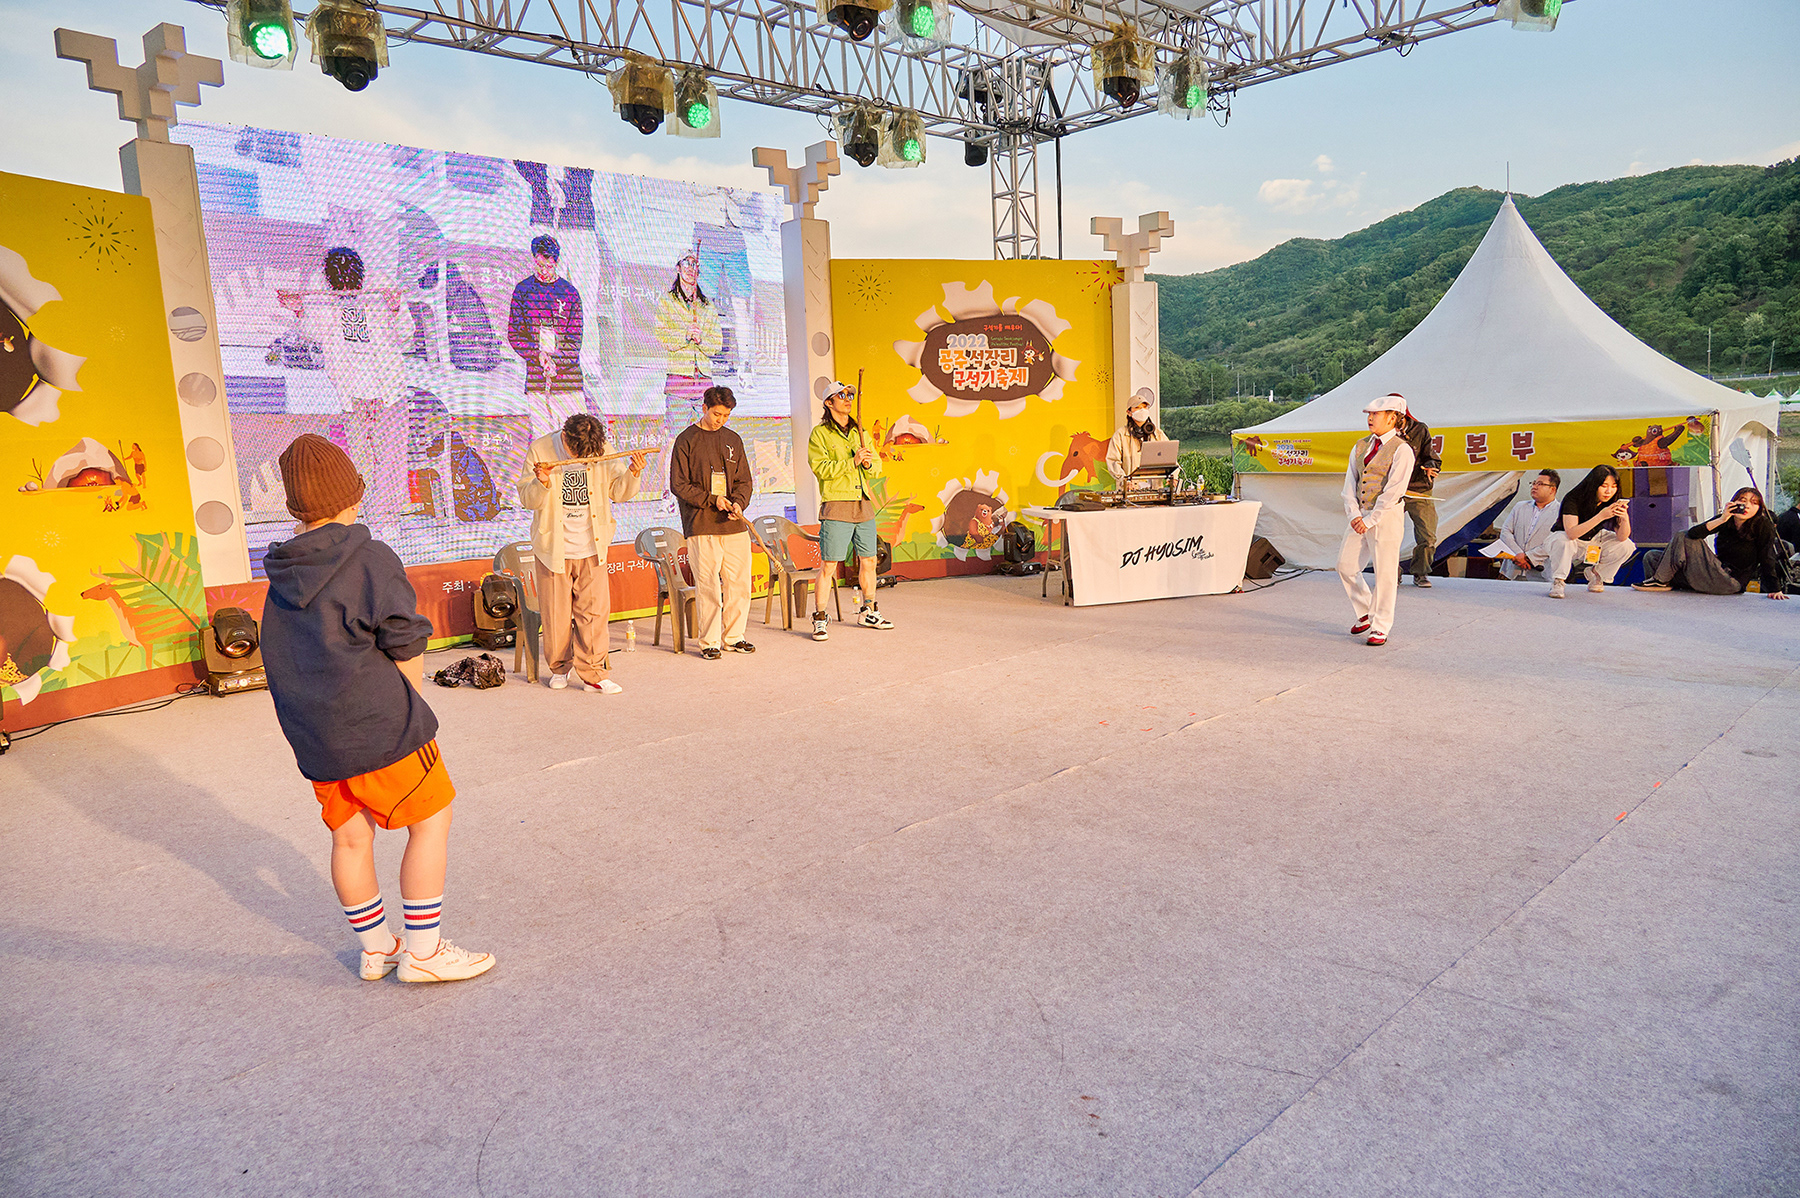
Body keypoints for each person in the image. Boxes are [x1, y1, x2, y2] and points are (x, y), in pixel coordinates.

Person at [260, 434, 494, 983]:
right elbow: (405, 642)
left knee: (349, 838)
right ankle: (424, 954)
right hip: (379, 724)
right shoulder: (368, 556)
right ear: (354, 494)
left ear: (295, 506)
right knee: (432, 820)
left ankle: (377, 950)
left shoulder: (280, 573)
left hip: (315, 736)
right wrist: (410, 708)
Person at [518, 414, 646, 691]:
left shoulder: (602, 449)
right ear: (565, 436)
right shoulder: (541, 449)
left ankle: (594, 674)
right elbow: (527, 500)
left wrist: (633, 473)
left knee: (594, 613)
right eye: (577, 453)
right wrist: (541, 482)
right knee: (556, 614)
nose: (582, 458)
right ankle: (559, 668)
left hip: (592, 546)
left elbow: (618, 492)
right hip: (553, 547)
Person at [668, 386, 756, 658]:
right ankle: (709, 642)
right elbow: (678, 485)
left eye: (726, 415)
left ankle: (735, 637)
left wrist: (738, 502)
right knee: (708, 585)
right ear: (704, 407)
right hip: (701, 524)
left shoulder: (733, 439)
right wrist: (711, 499)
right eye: (717, 414)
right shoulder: (686, 440)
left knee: (739, 583)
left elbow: (744, 481)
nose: (721, 420)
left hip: (733, 523)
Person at [807, 381, 893, 641]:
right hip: (836, 504)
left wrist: (867, 464)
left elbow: (876, 467)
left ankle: (869, 610)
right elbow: (820, 468)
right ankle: (820, 617)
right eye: (841, 395)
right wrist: (851, 462)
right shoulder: (820, 434)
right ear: (828, 402)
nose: (847, 399)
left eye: (850, 395)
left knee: (869, 560)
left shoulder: (860, 432)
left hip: (863, 503)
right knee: (829, 564)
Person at [1337, 394, 1417, 647]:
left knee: (1385, 573)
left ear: (1393, 418)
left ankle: (1380, 626)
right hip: (1360, 514)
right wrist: (1354, 514)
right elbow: (1349, 484)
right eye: (1369, 414)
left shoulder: (1402, 449)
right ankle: (1364, 611)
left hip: (1386, 517)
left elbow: (1394, 491)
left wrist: (1371, 519)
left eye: (1376, 414)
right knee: (1345, 565)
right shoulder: (1360, 446)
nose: (1370, 418)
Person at [1632, 487, 1789, 600]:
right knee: (1652, 557)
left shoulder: (1763, 524)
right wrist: (1722, 519)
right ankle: (1660, 585)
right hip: (1712, 573)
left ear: (1759, 507)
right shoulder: (1725, 519)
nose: (1747, 506)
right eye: (1742, 501)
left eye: (1754, 503)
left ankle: (1660, 581)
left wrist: (1775, 588)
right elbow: (1695, 532)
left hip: (1729, 581)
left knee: (1682, 536)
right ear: (1733, 502)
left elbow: (1767, 556)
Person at [506, 234, 587, 440]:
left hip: (568, 382)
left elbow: (575, 340)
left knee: (576, 441)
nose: (543, 271)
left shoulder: (569, 293)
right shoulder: (523, 290)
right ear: (534, 259)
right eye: (539, 265)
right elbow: (515, 334)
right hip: (536, 379)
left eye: (548, 267)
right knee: (544, 442)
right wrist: (537, 355)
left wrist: (556, 360)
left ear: (556, 262)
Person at [653, 249, 723, 475]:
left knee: (709, 437)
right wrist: (685, 334)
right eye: (687, 263)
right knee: (676, 438)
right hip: (679, 380)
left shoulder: (706, 305)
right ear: (678, 267)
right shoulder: (667, 301)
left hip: (703, 382)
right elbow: (661, 336)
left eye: (695, 264)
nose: (692, 268)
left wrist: (701, 339)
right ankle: (670, 488)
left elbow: (717, 344)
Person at [1544, 465, 1635, 598]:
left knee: (1626, 545)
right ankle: (1558, 581)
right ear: (1594, 485)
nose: (1609, 491)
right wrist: (1601, 516)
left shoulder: (1612, 501)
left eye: (1614, 486)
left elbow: (1622, 537)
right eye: (1604, 486)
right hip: (1571, 540)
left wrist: (1624, 518)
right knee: (1562, 540)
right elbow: (1571, 533)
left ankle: (1596, 574)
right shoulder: (1573, 498)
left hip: (1594, 539)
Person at [1480, 470, 1561, 580]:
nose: (1535, 487)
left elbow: (1555, 542)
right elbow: (1506, 531)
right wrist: (1518, 554)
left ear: (1552, 489)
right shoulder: (1520, 507)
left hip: (1541, 571)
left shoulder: (1560, 512)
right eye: (1534, 483)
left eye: (1540, 484)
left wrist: (1528, 557)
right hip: (1512, 570)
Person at [1397, 399, 1442, 587]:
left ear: (1402, 414)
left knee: (1428, 536)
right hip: (1393, 490)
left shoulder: (1420, 429)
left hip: (1419, 489)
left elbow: (1431, 457)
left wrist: (1431, 467)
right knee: (1388, 535)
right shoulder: (1382, 433)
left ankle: (1421, 572)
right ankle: (1392, 572)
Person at [1105, 398, 1171, 485]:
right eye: (1137, 407)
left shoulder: (1158, 434)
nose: (1142, 410)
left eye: (1144, 407)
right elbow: (1113, 462)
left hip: (1155, 488)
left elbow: (1170, 458)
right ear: (1129, 412)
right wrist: (1124, 480)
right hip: (1130, 488)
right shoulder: (1120, 435)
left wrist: (1173, 477)